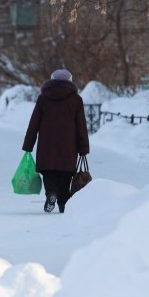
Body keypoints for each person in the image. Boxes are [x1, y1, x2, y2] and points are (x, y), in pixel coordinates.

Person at [22, 69, 89, 213]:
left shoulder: (43, 98)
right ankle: (63, 203)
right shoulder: (76, 100)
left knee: (48, 172)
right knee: (65, 173)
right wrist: (83, 148)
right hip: (69, 145)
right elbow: (81, 126)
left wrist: (28, 145)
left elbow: (34, 123)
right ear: (70, 82)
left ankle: (51, 192)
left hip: (47, 144)